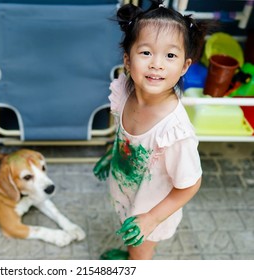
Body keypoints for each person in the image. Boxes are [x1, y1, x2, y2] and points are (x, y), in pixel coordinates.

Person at [93, 0, 210, 260]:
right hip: (129, 195)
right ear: (127, 59)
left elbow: (190, 184)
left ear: (184, 67)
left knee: (140, 250)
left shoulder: (175, 132)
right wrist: (113, 158)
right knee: (131, 239)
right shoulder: (124, 93)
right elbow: (128, 138)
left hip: (151, 209)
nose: (157, 64)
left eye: (170, 55)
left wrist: (150, 218)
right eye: (146, 53)